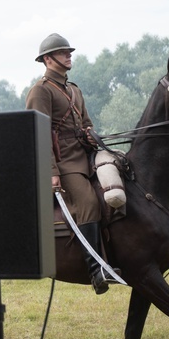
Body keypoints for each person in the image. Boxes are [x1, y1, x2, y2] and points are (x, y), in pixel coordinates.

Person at [26, 33, 115, 294]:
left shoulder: (74, 89)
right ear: (47, 59)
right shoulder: (41, 90)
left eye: (69, 51)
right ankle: (95, 269)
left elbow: (86, 123)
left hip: (85, 156)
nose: (69, 55)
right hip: (63, 162)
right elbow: (38, 133)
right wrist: (51, 172)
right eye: (63, 52)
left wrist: (90, 134)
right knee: (87, 202)